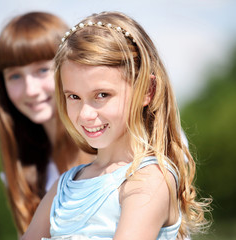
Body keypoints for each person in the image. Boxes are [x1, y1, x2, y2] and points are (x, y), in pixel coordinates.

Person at [21, 11, 211, 240]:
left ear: (147, 91)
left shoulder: (149, 180)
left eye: (102, 94)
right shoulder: (63, 187)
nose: (86, 114)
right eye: (73, 97)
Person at [0, 12, 92, 235]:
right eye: (15, 76)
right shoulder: (20, 171)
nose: (30, 90)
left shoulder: (123, 143)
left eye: (42, 70)